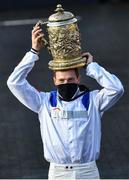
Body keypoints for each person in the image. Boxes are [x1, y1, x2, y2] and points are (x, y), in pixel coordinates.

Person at [7, 24, 124, 179]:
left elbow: (117, 89)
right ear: (54, 80)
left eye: (70, 79)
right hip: (58, 173)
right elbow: (14, 82)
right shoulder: (44, 102)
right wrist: (33, 52)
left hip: (87, 172)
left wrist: (92, 67)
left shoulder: (95, 101)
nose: (65, 82)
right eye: (61, 80)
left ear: (78, 78)